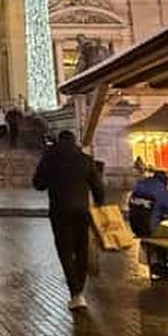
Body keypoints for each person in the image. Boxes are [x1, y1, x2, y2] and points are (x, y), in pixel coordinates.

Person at [32, 130, 105, 310]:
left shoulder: (50, 158)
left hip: (59, 211)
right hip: (82, 211)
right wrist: (99, 203)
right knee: (82, 249)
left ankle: (75, 293)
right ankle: (80, 289)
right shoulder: (85, 160)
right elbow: (98, 187)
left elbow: (38, 184)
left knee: (65, 251)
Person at [128, 170, 168, 278]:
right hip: (150, 228)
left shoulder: (140, 186)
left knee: (160, 235)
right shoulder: (160, 189)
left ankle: (157, 262)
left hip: (134, 227)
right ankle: (161, 263)